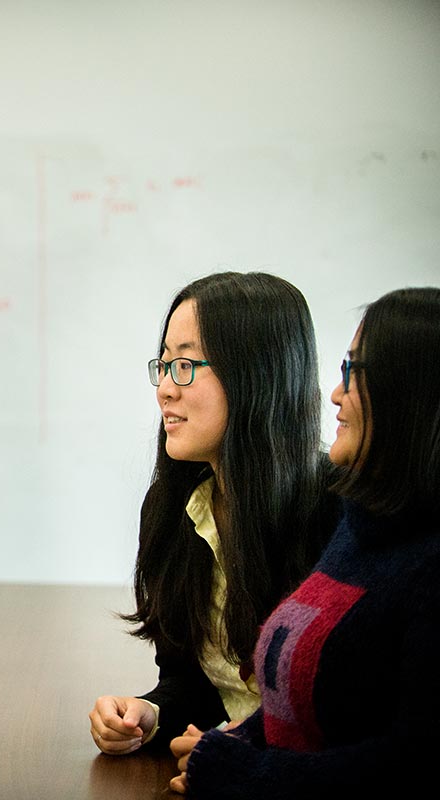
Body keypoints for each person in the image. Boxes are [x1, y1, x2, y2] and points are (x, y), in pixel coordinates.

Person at [170, 286, 440, 797]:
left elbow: (411, 764)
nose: (335, 394)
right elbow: (293, 699)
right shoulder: (363, 524)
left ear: (410, 394)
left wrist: (239, 770)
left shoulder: (416, 557)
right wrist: (232, 746)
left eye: (353, 374)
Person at [88, 272, 338, 754]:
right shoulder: (171, 508)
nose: (164, 388)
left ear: (256, 374)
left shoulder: (340, 513)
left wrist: (239, 749)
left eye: (184, 365)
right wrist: (150, 715)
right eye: (162, 366)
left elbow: (344, 711)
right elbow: (196, 690)